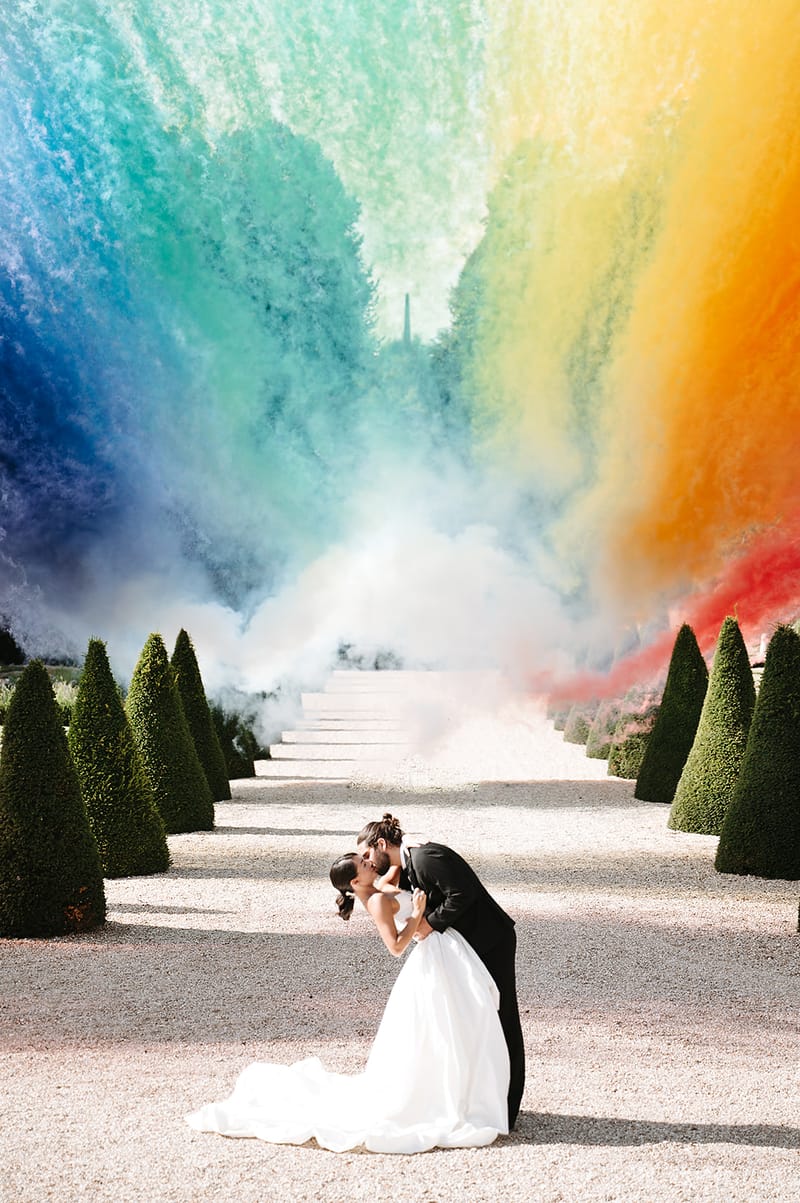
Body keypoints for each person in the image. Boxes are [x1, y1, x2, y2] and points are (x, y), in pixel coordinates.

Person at [185, 851, 509, 1154]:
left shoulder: (378, 888)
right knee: (436, 1029)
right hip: (427, 958)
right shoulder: (378, 901)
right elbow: (395, 947)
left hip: (440, 956)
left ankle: (455, 1088)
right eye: (363, 863)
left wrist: (398, 847)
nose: (369, 862)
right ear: (356, 883)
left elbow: (394, 871)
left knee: (440, 1029)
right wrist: (420, 916)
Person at [357, 812, 525, 1129]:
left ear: (381, 843)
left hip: (490, 941)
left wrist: (429, 925)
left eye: (367, 854)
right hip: (463, 949)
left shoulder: (426, 857)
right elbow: (405, 887)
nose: (367, 861)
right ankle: (479, 1098)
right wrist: (392, 866)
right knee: (473, 1021)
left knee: (502, 1019)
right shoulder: (409, 860)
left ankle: (507, 1105)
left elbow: (463, 894)